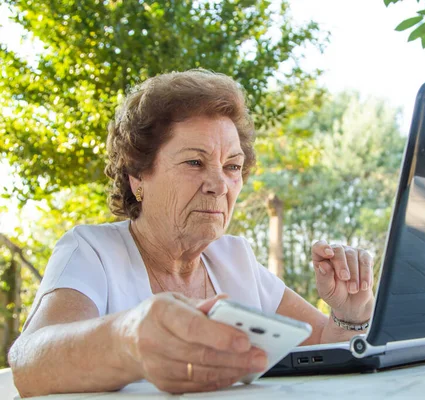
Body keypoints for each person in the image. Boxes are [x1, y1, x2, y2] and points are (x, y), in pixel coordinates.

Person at [8, 69, 375, 397]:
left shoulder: (234, 258)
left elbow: (326, 348)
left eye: (233, 166)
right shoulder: (91, 251)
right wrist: (130, 338)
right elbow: (29, 360)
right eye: (194, 162)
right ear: (138, 178)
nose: (219, 184)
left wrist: (349, 313)